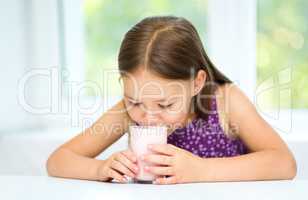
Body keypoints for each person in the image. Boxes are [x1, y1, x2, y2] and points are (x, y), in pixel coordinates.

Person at [46, 16, 297, 185]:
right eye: (134, 101)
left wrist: (201, 170)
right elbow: (58, 160)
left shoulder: (224, 102)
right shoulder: (127, 111)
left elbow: (284, 163)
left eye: (165, 105)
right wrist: (99, 170)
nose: (149, 116)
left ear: (197, 83)